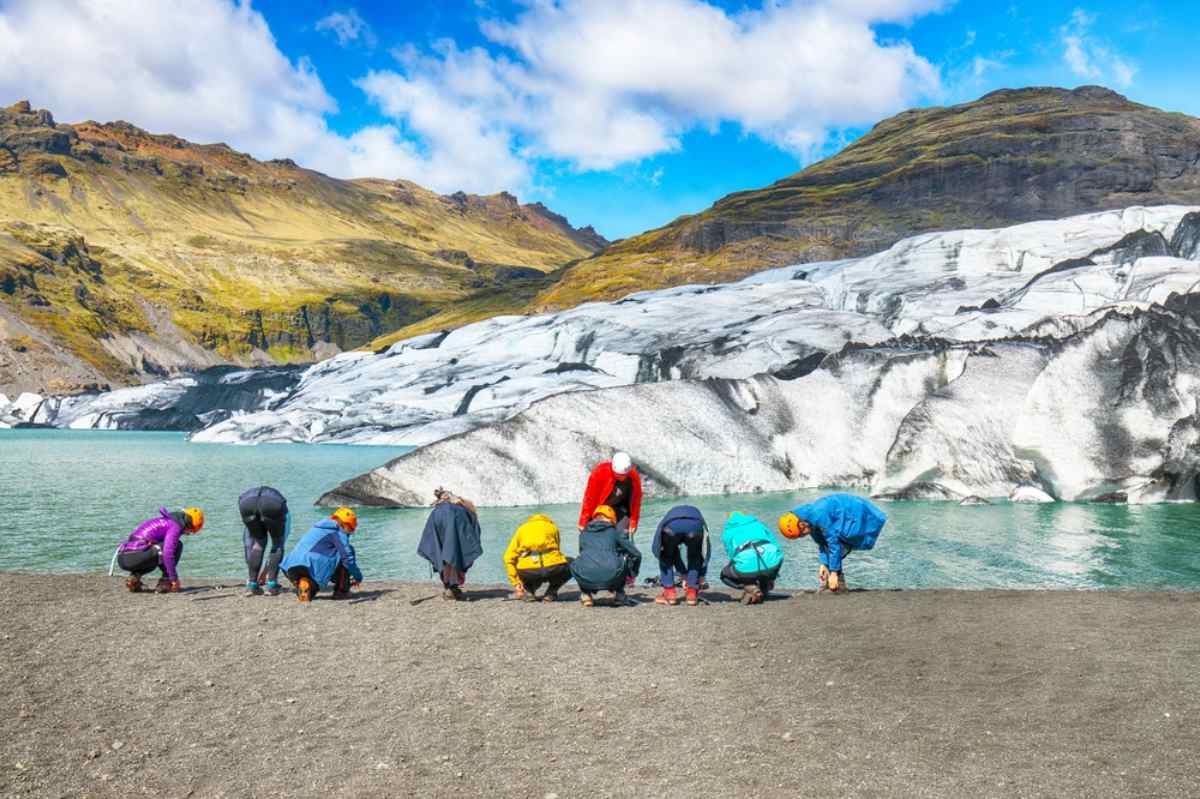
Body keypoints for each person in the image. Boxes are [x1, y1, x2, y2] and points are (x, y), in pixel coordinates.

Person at [779, 493, 887, 593]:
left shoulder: (818, 516)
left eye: (801, 534)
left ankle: (838, 584)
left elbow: (833, 543)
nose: (803, 536)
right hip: (844, 515)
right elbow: (821, 542)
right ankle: (831, 582)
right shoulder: (808, 520)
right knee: (832, 547)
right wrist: (823, 564)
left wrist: (834, 572)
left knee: (841, 544)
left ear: (802, 525)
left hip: (855, 514)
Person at [280, 507, 362, 603]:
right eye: (350, 529)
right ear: (345, 524)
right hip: (311, 565)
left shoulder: (317, 528)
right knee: (348, 551)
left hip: (289, 565)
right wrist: (358, 577)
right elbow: (347, 557)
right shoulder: (337, 531)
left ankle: (303, 583)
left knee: (312, 588)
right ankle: (341, 591)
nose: (349, 533)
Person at [116, 507, 205, 593]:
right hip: (136, 556)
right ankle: (165, 582)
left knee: (155, 560)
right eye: (191, 531)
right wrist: (174, 579)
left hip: (123, 557)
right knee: (177, 546)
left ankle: (134, 578)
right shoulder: (175, 526)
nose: (188, 533)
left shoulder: (165, 520)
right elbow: (168, 554)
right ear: (189, 524)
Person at [418, 488, 483, 601]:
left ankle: (448, 587)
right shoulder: (460, 509)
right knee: (454, 556)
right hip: (455, 540)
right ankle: (453, 586)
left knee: (442, 557)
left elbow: (430, 534)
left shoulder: (435, 512)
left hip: (442, 537)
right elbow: (472, 523)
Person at [570, 505, 642, 607]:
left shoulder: (583, 533)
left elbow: (582, 553)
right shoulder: (616, 532)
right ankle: (620, 594)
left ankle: (586, 594)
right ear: (612, 518)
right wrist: (633, 573)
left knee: (580, 561)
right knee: (624, 557)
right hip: (612, 577)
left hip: (586, 578)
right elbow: (636, 554)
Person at [503, 514, 572, 602]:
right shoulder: (553, 527)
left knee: (519, 563)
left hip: (529, 572)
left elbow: (508, 558)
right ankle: (551, 592)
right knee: (571, 563)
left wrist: (516, 583)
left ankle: (528, 591)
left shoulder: (521, 529)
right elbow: (557, 551)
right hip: (552, 569)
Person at [719, 512, 784, 605]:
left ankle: (751, 587)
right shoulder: (759, 524)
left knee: (724, 576)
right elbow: (776, 546)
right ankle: (764, 588)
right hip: (772, 564)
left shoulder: (728, 532)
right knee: (767, 560)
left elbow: (732, 555)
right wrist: (773, 576)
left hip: (747, 564)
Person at [238, 486, 291, 596]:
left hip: (246, 503)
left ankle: (252, 585)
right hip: (273, 504)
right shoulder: (283, 507)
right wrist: (265, 572)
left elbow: (248, 543)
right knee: (277, 543)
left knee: (258, 543)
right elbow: (281, 541)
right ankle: (272, 586)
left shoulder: (248, 494)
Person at [652, 505, 709, 606]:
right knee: (695, 555)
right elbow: (706, 551)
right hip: (694, 526)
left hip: (672, 526)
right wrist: (701, 575)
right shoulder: (699, 516)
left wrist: (661, 554)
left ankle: (669, 594)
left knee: (666, 555)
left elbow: (657, 546)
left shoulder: (667, 517)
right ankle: (691, 593)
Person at [578, 451, 643, 536]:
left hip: (620, 509)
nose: (622, 478)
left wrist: (634, 521)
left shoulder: (633, 476)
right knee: (599, 538)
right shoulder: (599, 472)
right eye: (618, 476)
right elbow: (589, 498)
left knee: (622, 536)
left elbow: (636, 501)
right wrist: (583, 521)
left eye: (624, 475)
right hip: (601, 510)